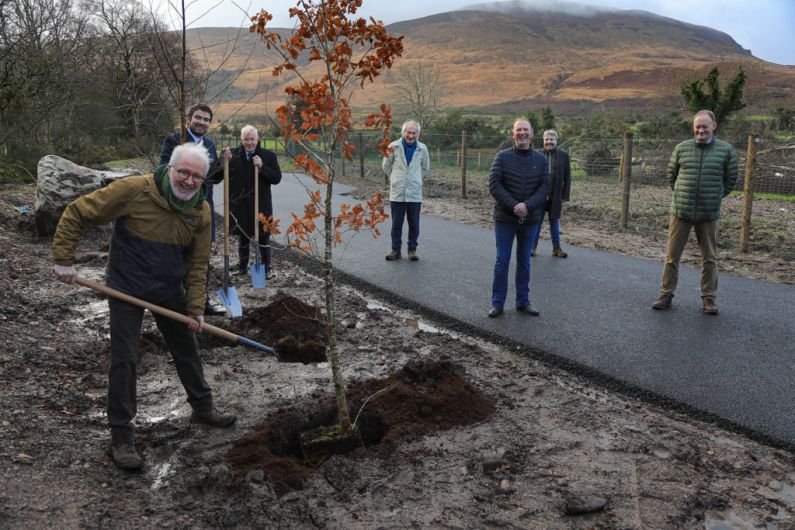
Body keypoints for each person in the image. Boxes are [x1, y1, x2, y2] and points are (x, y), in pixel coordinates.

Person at [53, 143, 237, 471]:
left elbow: (198, 263)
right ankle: (121, 437)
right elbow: (78, 212)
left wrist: (195, 307)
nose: (189, 180)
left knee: (187, 348)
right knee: (124, 359)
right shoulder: (134, 190)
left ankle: (203, 407)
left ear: (204, 178)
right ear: (170, 169)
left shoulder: (201, 210)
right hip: (126, 288)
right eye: (183, 172)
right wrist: (64, 259)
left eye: (197, 176)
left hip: (170, 290)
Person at [652, 109, 738, 315]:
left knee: (710, 257)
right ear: (693, 127)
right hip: (681, 211)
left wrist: (715, 197)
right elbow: (671, 176)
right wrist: (682, 195)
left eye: (705, 126)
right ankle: (666, 294)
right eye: (697, 126)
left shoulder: (726, 151)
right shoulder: (681, 149)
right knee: (672, 256)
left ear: (714, 126)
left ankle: (709, 298)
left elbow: (731, 179)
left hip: (708, 213)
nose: (701, 130)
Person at [160, 103, 231, 315]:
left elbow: (214, 179)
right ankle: (175, 302)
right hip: (179, 209)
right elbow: (163, 170)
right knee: (177, 256)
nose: (202, 122)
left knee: (201, 259)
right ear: (189, 118)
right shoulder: (174, 140)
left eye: (206, 119)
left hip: (203, 211)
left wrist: (221, 162)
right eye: (198, 118)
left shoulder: (209, 144)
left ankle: (201, 303)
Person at [488, 119, 550, 318]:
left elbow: (545, 188)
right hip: (505, 218)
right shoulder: (502, 157)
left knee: (524, 261)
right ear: (512, 134)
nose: (522, 133)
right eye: (518, 130)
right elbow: (494, 184)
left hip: (530, 220)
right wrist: (514, 205)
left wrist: (527, 206)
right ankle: (497, 303)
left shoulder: (541, 160)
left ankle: (523, 302)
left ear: (532, 134)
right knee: (502, 260)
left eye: (525, 130)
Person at [221, 125, 282, 277]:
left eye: (252, 139)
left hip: (261, 203)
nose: (249, 143)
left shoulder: (268, 156)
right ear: (241, 140)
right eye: (246, 139)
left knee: (263, 237)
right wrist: (222, 161)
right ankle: (242, 267)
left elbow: (276, 178)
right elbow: (216, 175)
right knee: (243, 237)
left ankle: (266, 268)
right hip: (240, 204)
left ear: (258, 139)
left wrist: (262, 167)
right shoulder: (233, 155)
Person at [382, 120, 430, 261]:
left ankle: (412, 250)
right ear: (403, 132)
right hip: (397, 192)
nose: (411, 135)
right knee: (396, 224)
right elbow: (386, 166)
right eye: (408, 132)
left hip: (414, 193)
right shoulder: (393, 146)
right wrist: (395, 178)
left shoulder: (423, 149)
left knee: (414, 223)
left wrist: (415, 179)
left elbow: (426, 169)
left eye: (413, 133)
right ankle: (395, 250)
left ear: (417, 134)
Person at [531, 129, 571, 258]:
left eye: (551, 140)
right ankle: (532, 247)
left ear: (556, 141)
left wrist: (565, 195)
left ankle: (556, 248)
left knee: (555, 222)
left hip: (556, 195)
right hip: (539, 196)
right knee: (537, 222)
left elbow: (567, 177)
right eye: (547, 140)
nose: (549, 142)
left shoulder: (564, 155)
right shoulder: (536, 154)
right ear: (543, 141)